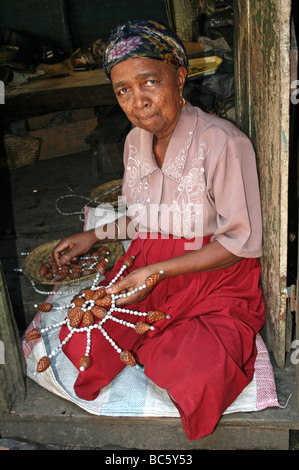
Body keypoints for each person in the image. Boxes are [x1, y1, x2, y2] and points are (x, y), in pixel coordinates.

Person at [53, 20, 265, 441]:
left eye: (149, 81)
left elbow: (241, 242)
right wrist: (94, 236)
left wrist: (157, 274)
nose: (139, 101)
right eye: (124, 91)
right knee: (80, 343)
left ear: (179, 77)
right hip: (148, 263)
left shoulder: (222, 143)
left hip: (212, 275)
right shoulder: (135, 141)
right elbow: (146, 216)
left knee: (196, 377)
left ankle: (174, 344)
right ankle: (152, 337)